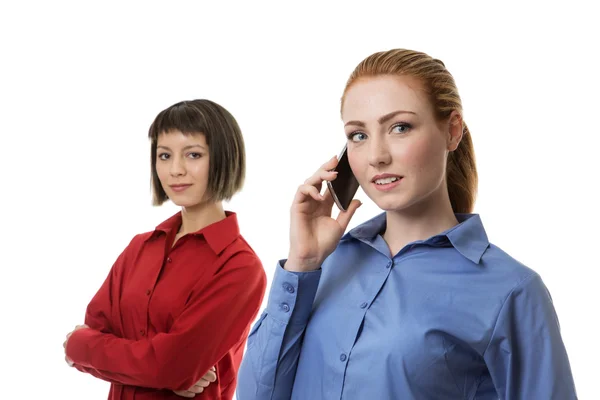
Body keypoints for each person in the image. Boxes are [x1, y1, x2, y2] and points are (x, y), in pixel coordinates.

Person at [236, 49, 577, 399]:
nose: (376, 156)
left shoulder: (512, 291)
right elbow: (255, 394)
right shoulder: (324, 264)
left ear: (452, 131)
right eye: (358, 135)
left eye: (400, 127)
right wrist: (302, 265)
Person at [63, 99, 267, 400]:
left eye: (193, 155)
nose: (175, 170)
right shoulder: (140, 247)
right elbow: (92, 333)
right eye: (164, 155)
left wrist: (88, 348)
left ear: (224, 159)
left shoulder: (240, 267)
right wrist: (158, 368)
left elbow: (171, 365)